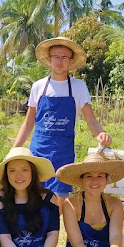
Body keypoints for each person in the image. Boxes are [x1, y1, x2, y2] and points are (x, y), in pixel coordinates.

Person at [12, 37, 112, 206]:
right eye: (56, 57)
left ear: (71, 61)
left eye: (64, 57)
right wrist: (14, 150)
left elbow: (91, 120)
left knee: (58, 205)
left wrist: (101, 134)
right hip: (38, 154)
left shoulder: (79, 87)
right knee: (33, 202)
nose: (59, 61)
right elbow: (28, 123)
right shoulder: (38, 86)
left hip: (63, 156)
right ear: (49, 60)